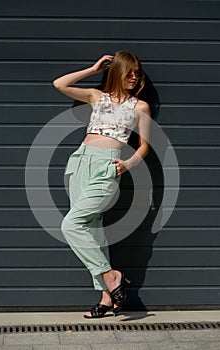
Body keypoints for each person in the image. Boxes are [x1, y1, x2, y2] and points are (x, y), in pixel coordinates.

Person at [53, 50, 151, 318]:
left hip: (108, 166)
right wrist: (94, 70)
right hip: (79, 164)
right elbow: (59, 84)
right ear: (117, 72)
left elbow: (143, 147)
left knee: (70, 224)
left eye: (137, 73)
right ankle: (107, 297)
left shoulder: (139, 106)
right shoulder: (97, 97)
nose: (133, 77)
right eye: (128, 72)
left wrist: (127, 165)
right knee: (93, 230)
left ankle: (110, 275)